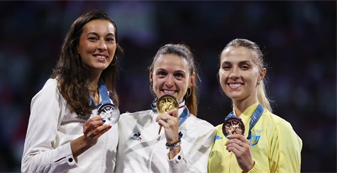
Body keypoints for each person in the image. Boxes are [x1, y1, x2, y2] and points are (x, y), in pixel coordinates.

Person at [21, 10, 123, 172]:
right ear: (76, 46)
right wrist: (84, 142)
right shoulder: (54, 91)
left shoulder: (109, 101)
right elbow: (30, 166)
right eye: (93, 38)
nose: (102, 46)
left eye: (109, 39)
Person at [115, 44, 215, 173]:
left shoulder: (204, 132)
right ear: (151, 76)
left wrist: (174, 144)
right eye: (162, 74)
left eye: (178, 75)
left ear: (191, 80)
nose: (169, 83)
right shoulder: (125, 122)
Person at [208, 38, 302, 172]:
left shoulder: (279, 130)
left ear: (260, 75)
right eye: (227, 67)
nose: (234, 74)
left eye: (244, 67)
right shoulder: (213, 135)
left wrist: (250, 167)